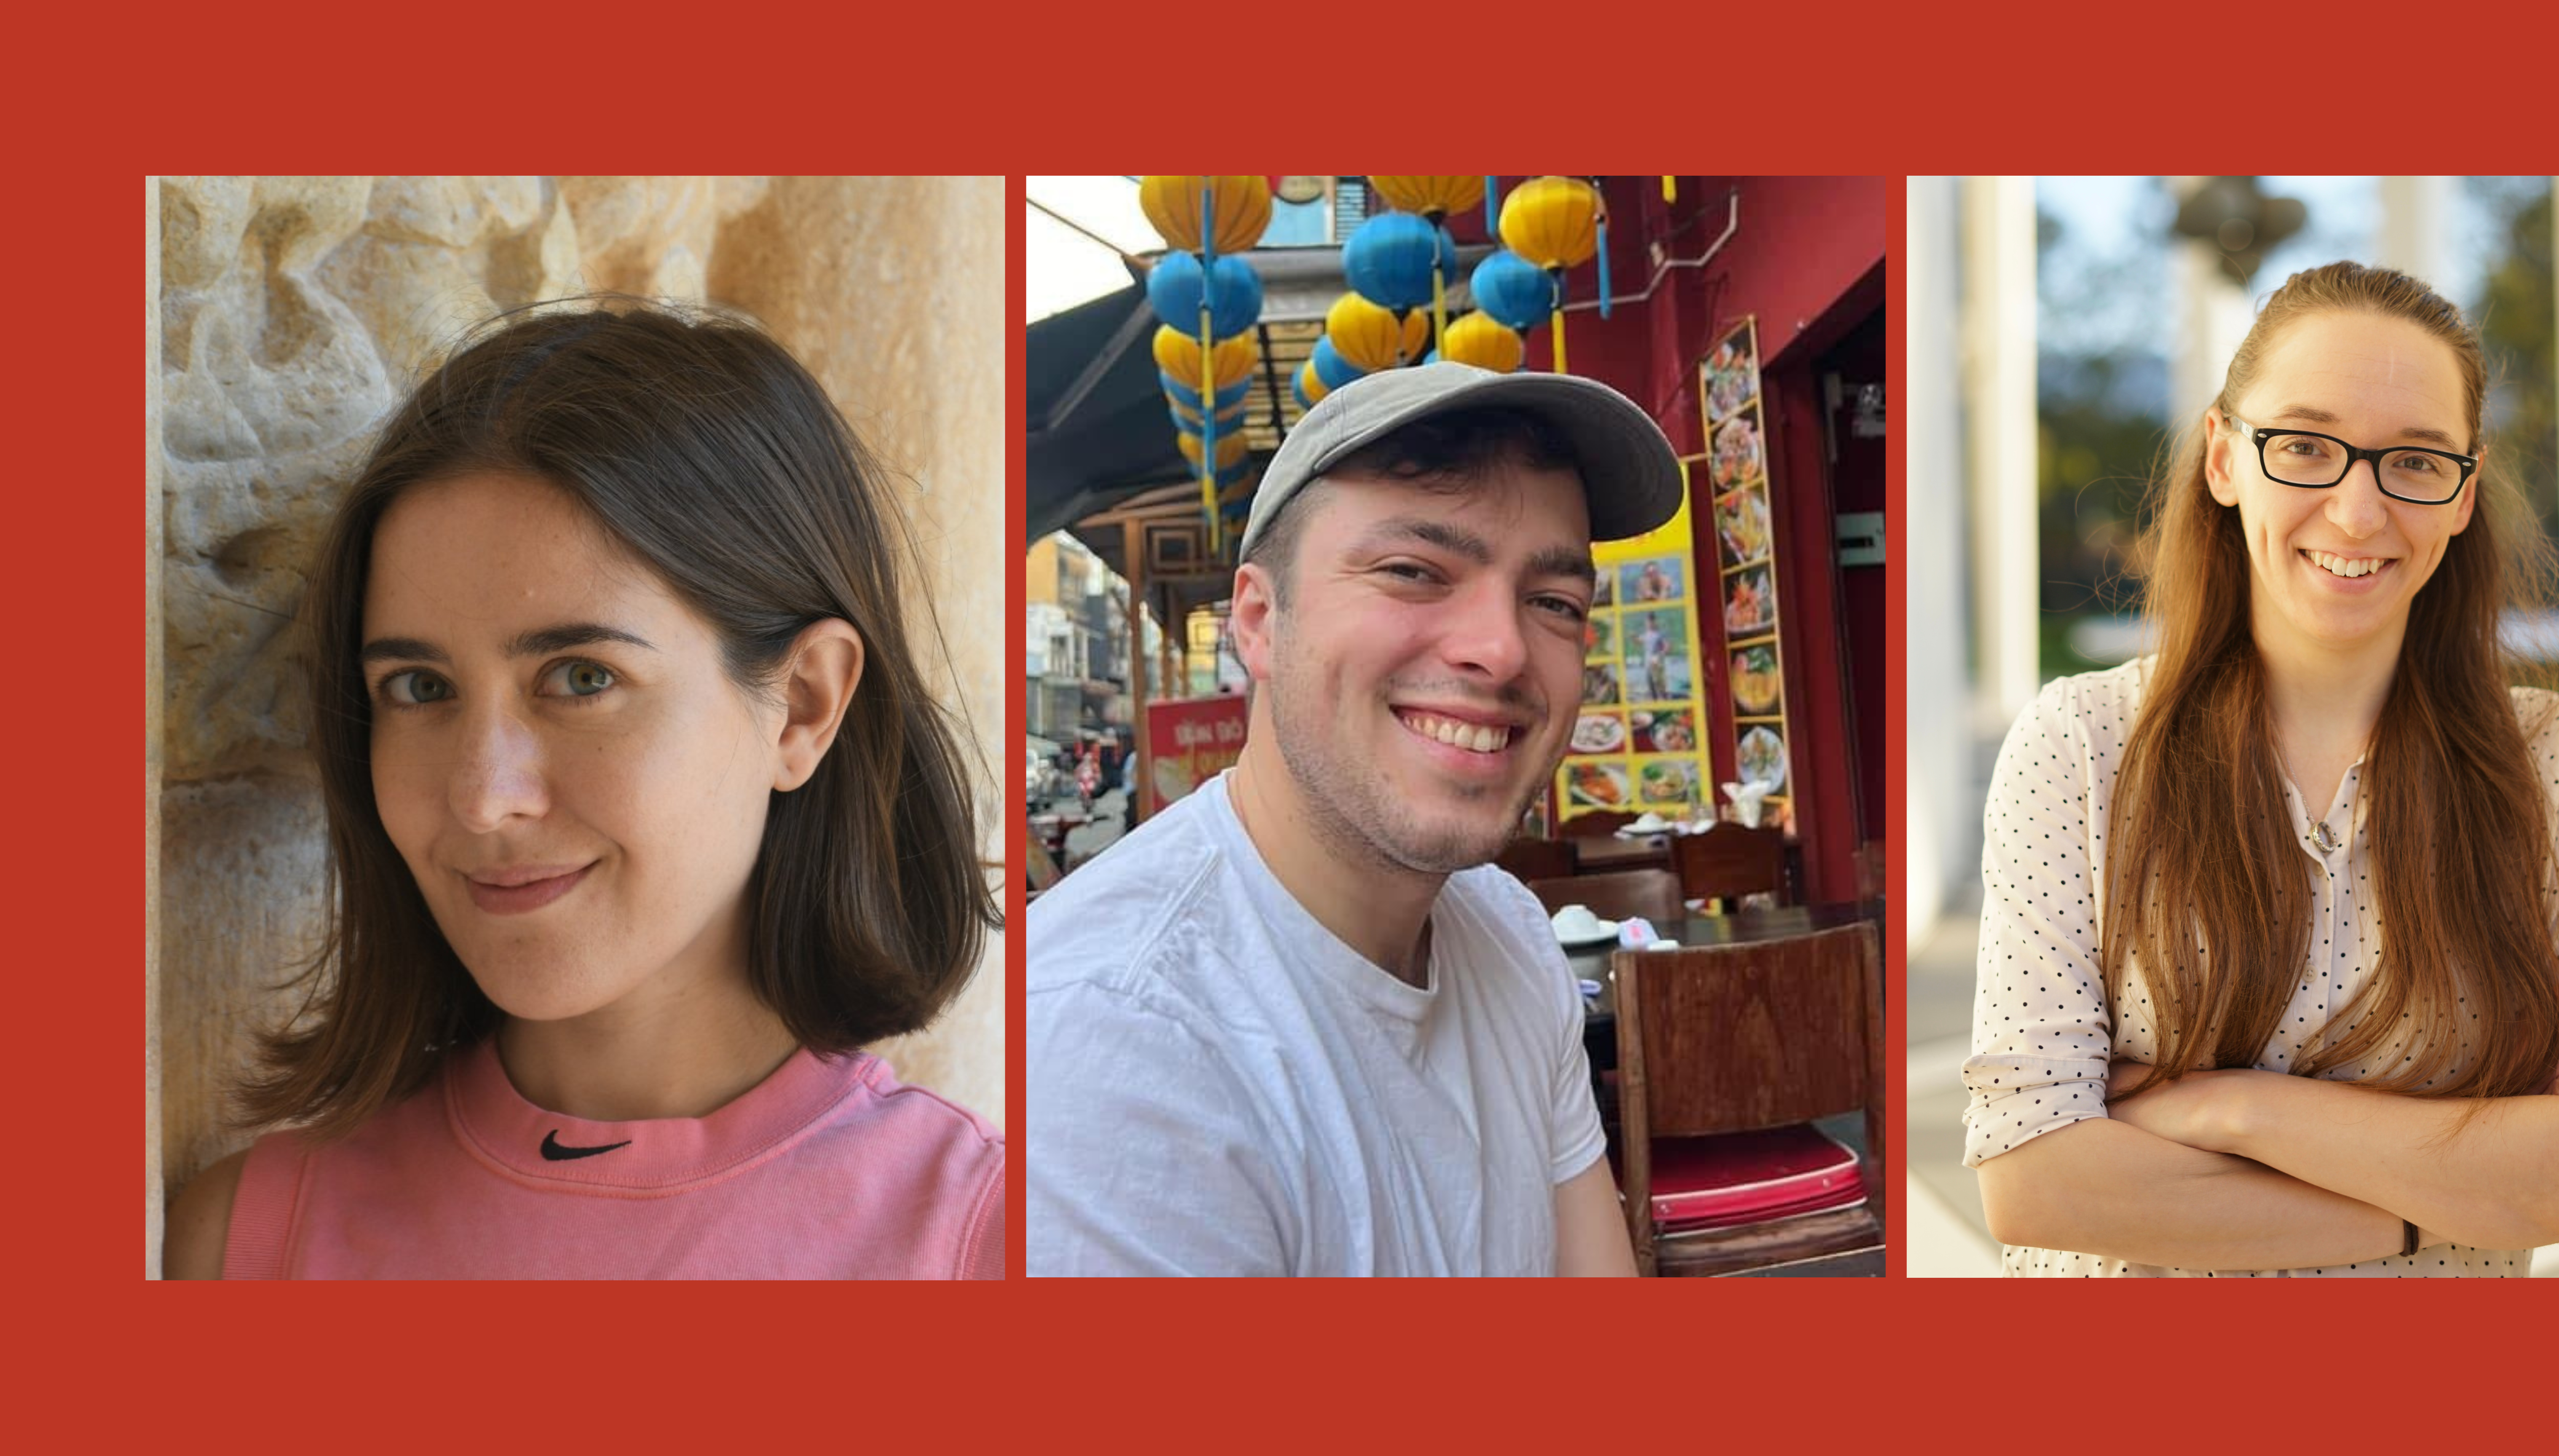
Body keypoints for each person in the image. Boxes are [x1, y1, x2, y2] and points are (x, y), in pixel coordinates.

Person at [161, 303, 1006, 1279]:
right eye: (421, 689)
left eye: (582, 678)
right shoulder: (243, 1248)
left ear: (803, 706)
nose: (484, 798)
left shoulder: (987, 1244)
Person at [1960, 262, 2559, 1277]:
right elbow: (2037, 1183)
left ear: (2464, 494)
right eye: (2303, 447)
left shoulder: (2550, 766)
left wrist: (2229, 1107)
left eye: (2416, 462)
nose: (2356, 512)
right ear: (2223, 459)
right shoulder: (2080, 745)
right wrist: (2443, 1202)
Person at [1025, 362, 1682, 1275]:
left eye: (1554, 604)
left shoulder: (1509, 933)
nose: (1500, 648)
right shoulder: (1108, 1051)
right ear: (1257, 621)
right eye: (1414, 571)